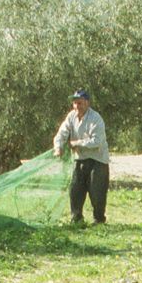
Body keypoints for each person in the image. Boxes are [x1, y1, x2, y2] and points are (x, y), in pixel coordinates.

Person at [51, 89, 110, 224]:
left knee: (97, 191)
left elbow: (97, 141)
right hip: (79, 158)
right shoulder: (71, 116)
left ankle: (99, 220)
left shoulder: (96, 118)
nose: (77, 106)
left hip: (98, 159)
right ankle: (76, 219)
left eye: (80, 103)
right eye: (75, 103)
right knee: (75, 189)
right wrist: (58, 147)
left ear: (87, 103)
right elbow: (61, 133)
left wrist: (77, 143)